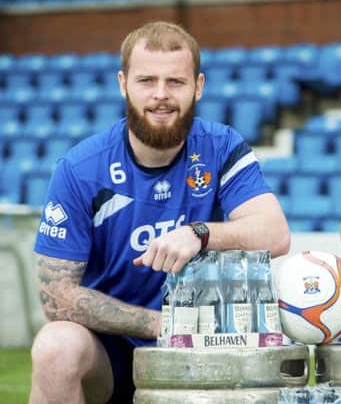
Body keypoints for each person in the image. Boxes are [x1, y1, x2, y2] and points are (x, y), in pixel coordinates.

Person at [29, 21, 290, 404]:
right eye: (147, 81)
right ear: (123, 84)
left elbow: (275, 234)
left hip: (204, 344)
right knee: (55, 348)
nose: (161, 96)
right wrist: (160, 324)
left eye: (176, 82)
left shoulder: (221, 147)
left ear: (198, 86)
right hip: (111, 352)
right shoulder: (81, 168)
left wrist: (199, 234)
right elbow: (55, 298)